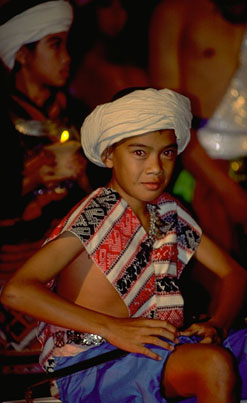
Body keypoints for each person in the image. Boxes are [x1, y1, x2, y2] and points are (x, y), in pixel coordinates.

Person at [1, 88, 247, 402]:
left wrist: (217, 324)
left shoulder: (168, 212)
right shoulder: (96, 213)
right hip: (94, 361)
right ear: (109, 155)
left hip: (158, 348)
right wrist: (113, 328)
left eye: (166, 152)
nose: (155, 167)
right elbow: (17, 291)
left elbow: (234, 275)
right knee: (213, 365)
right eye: (139, 152)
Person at [148, 0, 247, 305]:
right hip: (204, 170)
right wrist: (226, 190)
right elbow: (168, 117)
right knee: (222, 292)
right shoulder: (176, 12)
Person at [0, 0, 91, 366]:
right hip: (13, 277)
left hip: (71, 271)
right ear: (22, 54)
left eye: (67, 44)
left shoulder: (80, 115)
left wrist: (86, 175)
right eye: (55, 45)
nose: (67, 56)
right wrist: (29, 178)